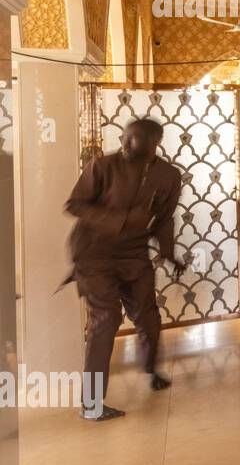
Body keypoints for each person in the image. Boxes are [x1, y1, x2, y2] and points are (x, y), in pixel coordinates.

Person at [64, 118, 185, 421]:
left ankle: (152, 368)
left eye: (134, 139)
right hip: (93, 253)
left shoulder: (168, 175)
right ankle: (91, 404)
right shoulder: (102, 166)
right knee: (105, 320)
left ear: (155, 141)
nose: (125, 143)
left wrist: (169, 255)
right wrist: (118, 219)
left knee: (147, 314)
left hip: (133, 253)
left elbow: (164, 219)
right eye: (125, 137)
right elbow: (74, 205)